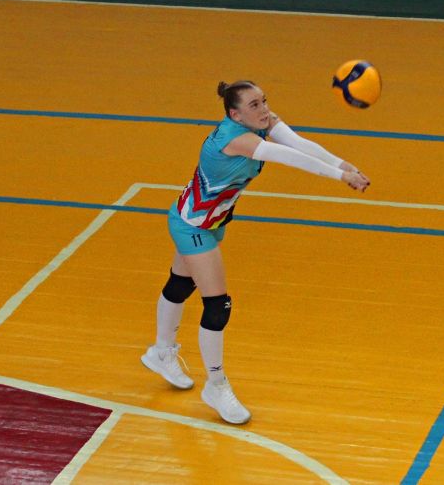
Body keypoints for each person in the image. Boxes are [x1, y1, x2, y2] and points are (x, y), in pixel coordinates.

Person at [141, 80, 370, 425]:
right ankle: (216, 385)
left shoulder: (258, 122)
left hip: (209, 219)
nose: (264, 110)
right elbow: (288, 156)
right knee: (218, 305)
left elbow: (299, 143)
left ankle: (161, 352)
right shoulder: (237, 139)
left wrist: (345, 165)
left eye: (264, 101)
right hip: (194, 225)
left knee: (181, 283)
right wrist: (341, 177)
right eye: (254, 105)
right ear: (235, 115)